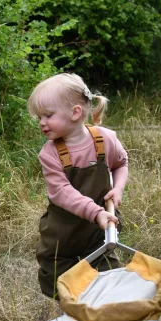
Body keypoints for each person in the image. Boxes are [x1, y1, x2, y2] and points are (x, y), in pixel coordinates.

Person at [28, 73, 128, 299]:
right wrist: (96, 212)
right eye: (39, 118)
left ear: (75, 112)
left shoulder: (105, 139)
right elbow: (61, 193)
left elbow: (121, 163)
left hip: (98, 228)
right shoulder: (50, 153)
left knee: (106, 270)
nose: (42, 122)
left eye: (48, 115)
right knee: (54, 271)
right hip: (64, 229)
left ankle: (104, 310)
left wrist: (118, 188)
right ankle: (71, 308)